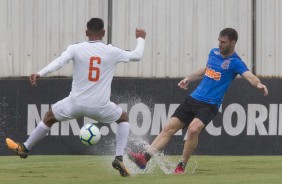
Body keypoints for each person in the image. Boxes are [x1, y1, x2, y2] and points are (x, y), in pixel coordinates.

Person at [6, 18, 146, 177]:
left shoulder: (76, 48)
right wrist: (140, 38)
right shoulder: (112, 51)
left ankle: (24, 148)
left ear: (86, 32)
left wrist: (40, 73)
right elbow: (137, 55)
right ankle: (119, 158)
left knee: (49, 117)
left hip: (75, 103)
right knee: (123, 118)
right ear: (104, 33)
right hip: (100, 106)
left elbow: (59, 62)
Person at [128, 28, 268, 174]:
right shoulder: (214, 53)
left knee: (193, 129)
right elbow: (207, 69)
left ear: (233, 43)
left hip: (210, 104)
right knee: (169, 127)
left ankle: (181, 166)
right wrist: (189, 78)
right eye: (219, 41)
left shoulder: (235, 62)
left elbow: (249, 76)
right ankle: (144, 158)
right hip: (193, 98)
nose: (220, 44)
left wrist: (258, 84)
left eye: (223, 42)